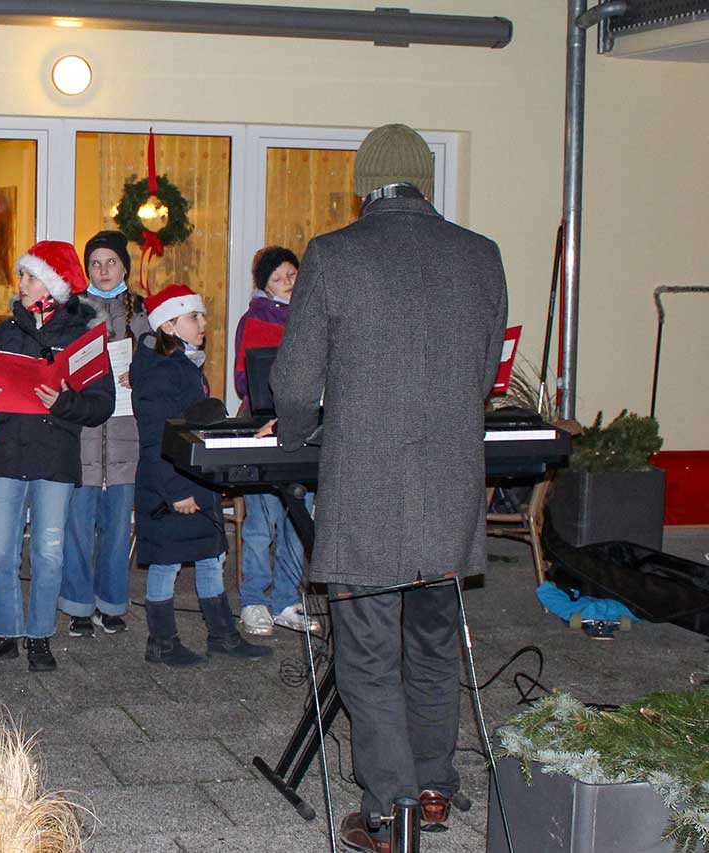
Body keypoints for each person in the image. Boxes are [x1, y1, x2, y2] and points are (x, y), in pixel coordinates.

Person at [268, 123, 508, 852]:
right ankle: (434, 786)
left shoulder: (335, 254)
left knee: (367, 651)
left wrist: (292, 437)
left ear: (365, 185)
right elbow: (487, 363)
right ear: (423, 183)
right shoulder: (480, 254)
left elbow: (295, 379)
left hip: (368, 485)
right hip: (449, 484)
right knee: (433, 641)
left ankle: (390, 809)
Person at [0, 241, 114, 672]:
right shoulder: (5, 330)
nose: (22, 284)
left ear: (52, 285)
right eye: (24, 276)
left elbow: (101, 403)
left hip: (54, 456)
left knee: (49, 551)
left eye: (30, 277)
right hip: (8, 453)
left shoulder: (83, 336)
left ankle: (40, 635)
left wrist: (63, 401)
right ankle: (5, 632)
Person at [132, 284, 271, 667]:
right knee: (166, 562)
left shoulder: (185, 366)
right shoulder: (162, 374)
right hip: (171, 485)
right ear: (170, 326)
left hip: (196, 478)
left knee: (211, 555)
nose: (204, 323)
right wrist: (176, 491)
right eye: (194, 317)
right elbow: (154, 439)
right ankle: (161, 641)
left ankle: (222, 635)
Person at [59, 230, 147, 638]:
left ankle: (111, 604)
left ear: (125, 266)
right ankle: (78, 604)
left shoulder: (143, 310)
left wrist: (139, 374)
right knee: (78, 525)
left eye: (111, 262)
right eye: (95, 263)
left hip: (126, 434)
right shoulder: (73, 310)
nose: (104, 269)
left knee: (116, 530)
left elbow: (161, 360)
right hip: (84, 436)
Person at [232, 246, 318, 636]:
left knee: (296, 519)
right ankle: (254, 599)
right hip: (264, 427)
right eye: (278, 279)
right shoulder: (255, 319)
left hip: (305, 428)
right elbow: (242, 379)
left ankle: (286, 599)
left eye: (292, 275)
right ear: (264, 286)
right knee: (260, 522)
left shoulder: (316, 315)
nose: (287, 284)